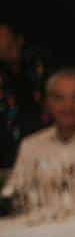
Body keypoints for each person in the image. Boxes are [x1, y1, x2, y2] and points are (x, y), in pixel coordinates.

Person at [0, 23, 43, 171]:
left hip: (42, 149)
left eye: (10, 43)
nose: (6, 49)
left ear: (19, 40)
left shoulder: (37, 69)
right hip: (8, 156)